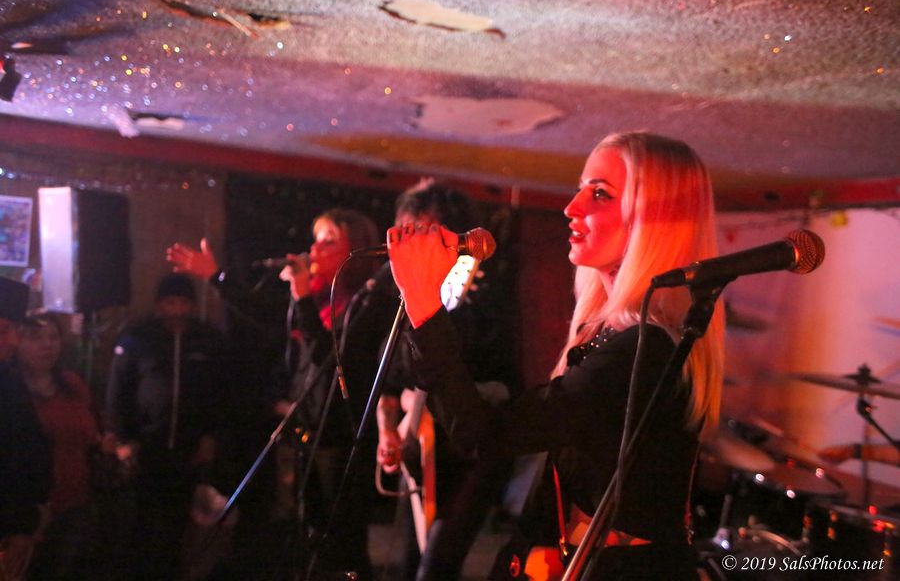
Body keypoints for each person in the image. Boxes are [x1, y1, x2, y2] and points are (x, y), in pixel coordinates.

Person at [386, 132, 725, 580]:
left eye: (600, 194)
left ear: (654, 219)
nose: (571, 207)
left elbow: (486, 435)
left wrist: (424, 305)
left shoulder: (644, 351)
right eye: (581, 188)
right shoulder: (606, 333)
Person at [169, 208, 388, 580]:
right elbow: (263, 313)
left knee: (342, 540)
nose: (315, 249)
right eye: (315, 239)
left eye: (329, 241)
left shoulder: (363, 305)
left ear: (356, 250)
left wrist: (301, 298)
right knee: (306, 531)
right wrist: (216, 277)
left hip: (341, 436)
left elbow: (329, 359)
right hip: (307, 430)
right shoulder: (315, 297)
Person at [376, 179, 517, 581]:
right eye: (407, 230)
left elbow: (504, 383)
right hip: (420, 452)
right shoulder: (397, 299)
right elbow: (389, 383)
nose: (413, 241)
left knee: (436, 566)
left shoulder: (482, 300)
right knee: (408, 562)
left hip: (472, 454)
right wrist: (388, 432)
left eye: (423, 230)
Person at [107, 273, 228, 580]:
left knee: (179, 523)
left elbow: (219, 392)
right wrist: (124, 439)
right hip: (145, 448)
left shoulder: (208, 340)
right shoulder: (137, 338)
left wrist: (210, 437)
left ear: (192, 305)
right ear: (159, 305)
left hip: (189, 450)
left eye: (183, 303)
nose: (176, 310)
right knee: (142, 522)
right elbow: (118, 391)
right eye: (170, 303)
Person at [15, 313, 101, 580]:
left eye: (53, 337)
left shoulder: (72, 384)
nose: (47, 345)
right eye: (36, 338)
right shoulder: (11, 391)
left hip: (75, 501)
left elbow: (91, 433)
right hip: (27, 510)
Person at [0, 278, 52, 581]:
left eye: (16, 331)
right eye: (3, 330)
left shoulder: (8, 376)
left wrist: (30, 521)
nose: (13, 341)